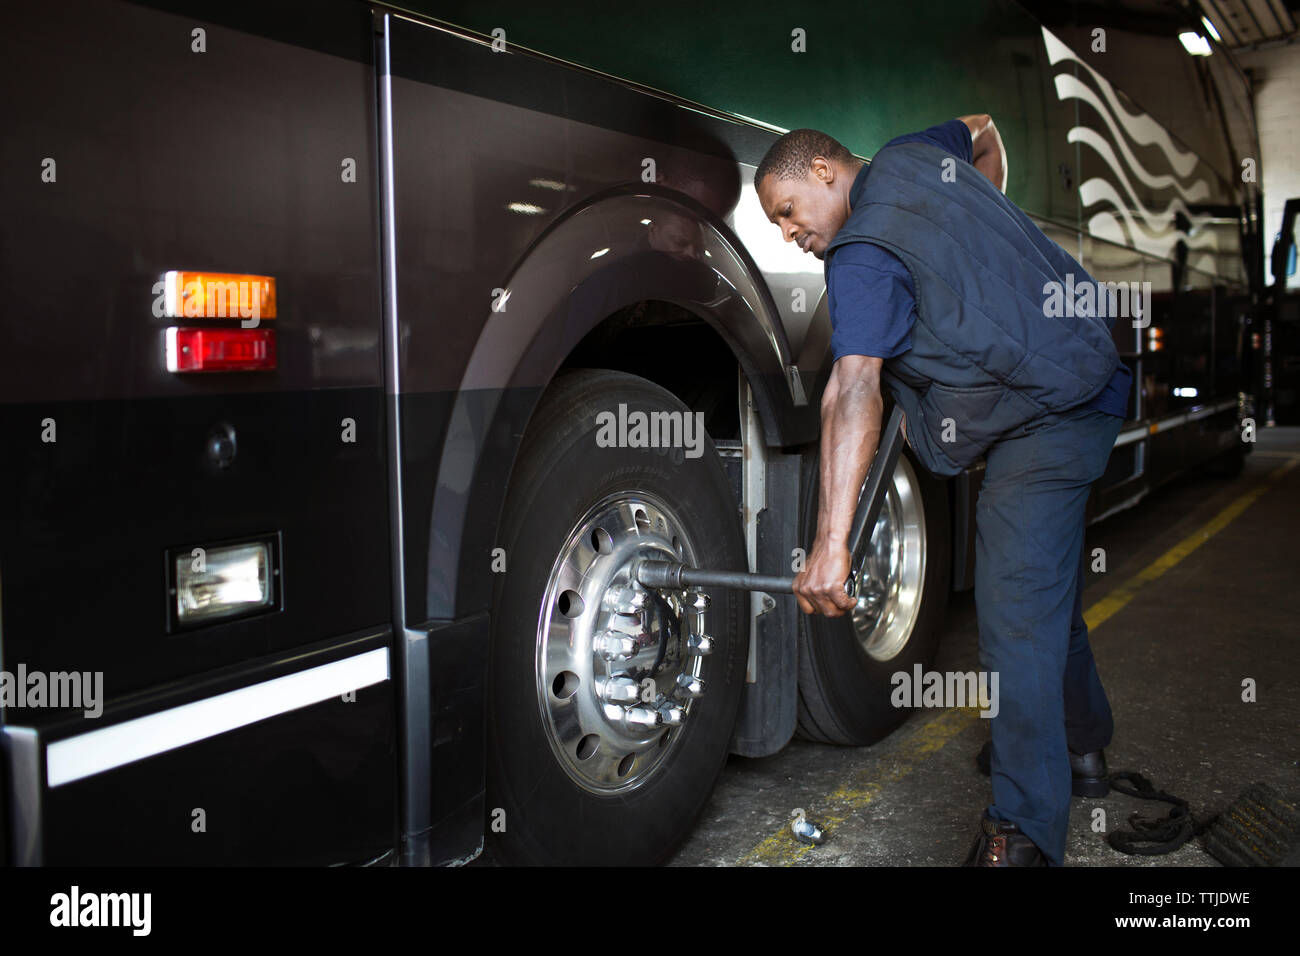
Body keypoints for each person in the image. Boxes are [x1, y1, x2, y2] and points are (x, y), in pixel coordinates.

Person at [753, 116, 1132, 866]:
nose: (787, 234)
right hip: (1085, 365)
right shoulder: (915, 152)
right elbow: (988, 125)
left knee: (1015, 608)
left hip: (1052, 411)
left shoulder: (861, 256)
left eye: (787, 210)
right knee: (1036, 585)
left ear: (825, 171)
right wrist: (983, 227)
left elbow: (853, 388)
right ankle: (1081, 749)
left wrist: (830, 548)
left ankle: (1023, 831)